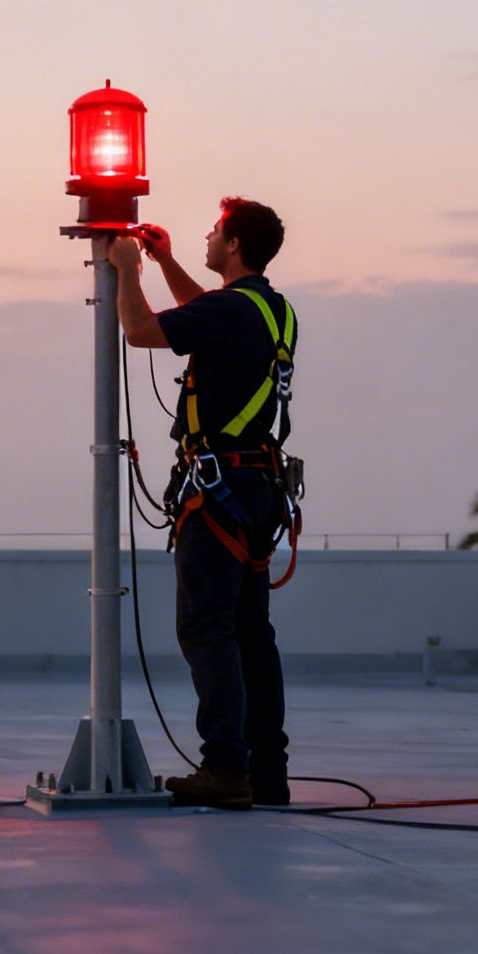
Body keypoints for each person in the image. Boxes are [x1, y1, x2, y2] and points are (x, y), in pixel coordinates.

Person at [107, 197, 294, 809]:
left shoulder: (232, 311)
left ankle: (224, 769)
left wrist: (127, 269)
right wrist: (166, 261)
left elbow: (139, 332)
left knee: (207, 629)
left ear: (235, 245)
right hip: (257, 489)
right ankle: (266, 772)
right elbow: (206, 313)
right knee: (250, 633)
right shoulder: (273, 310)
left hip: (219, 491)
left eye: (215, 232)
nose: (208, 238)